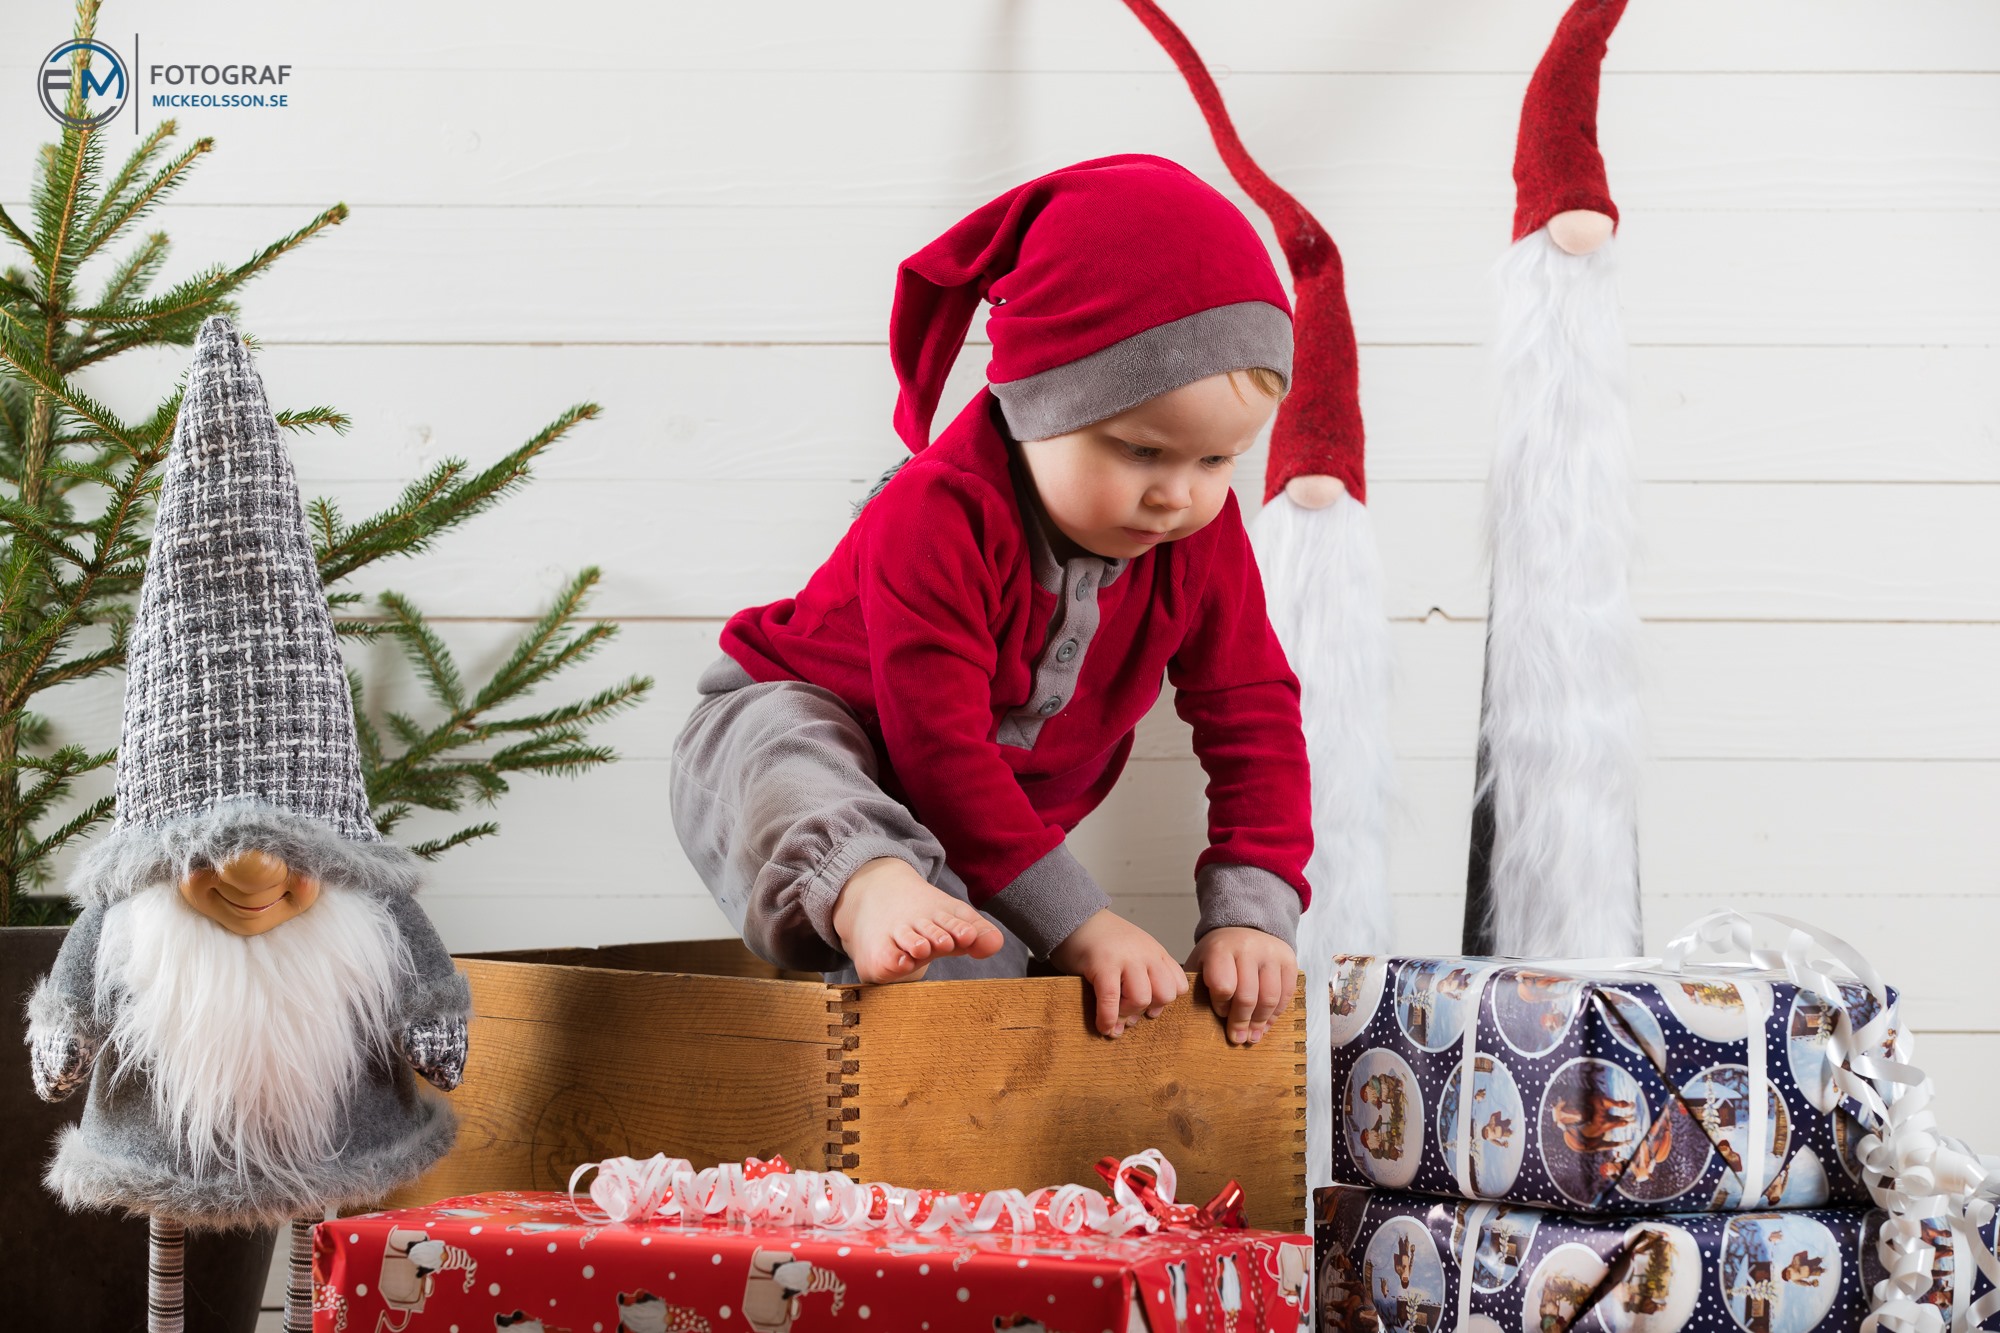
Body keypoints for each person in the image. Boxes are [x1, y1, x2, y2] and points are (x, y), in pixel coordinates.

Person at [670, 154, 1313, 1045]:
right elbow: (935, 746)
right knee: (789, 754)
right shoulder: (937, 511)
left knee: (970, 978)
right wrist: (1084, 922)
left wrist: (1254, 905)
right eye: (1140, 451)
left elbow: (1253, 713)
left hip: (984, 830)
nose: (1178, 496)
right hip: (798, 733)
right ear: (1035, 403)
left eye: (1216, 460)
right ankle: (866, 880)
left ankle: (915, 950)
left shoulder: (1201, 537)